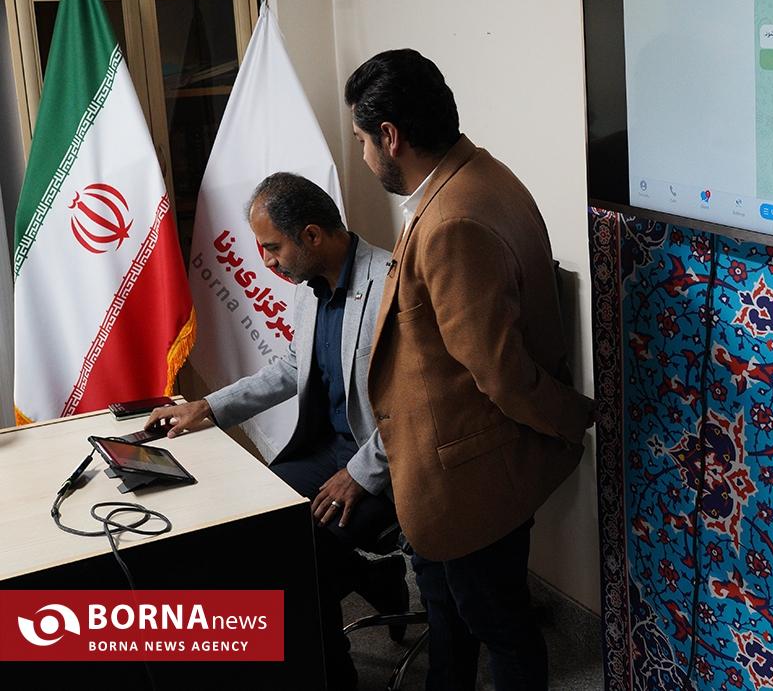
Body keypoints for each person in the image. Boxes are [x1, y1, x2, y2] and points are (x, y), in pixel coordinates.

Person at [345, 49, 594, 691]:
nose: (362, 155)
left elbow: (501, 372)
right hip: (457, 466)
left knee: (498, 626)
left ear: (390, 137)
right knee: (454, 617)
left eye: (361, 140)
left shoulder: (452, 219)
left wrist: (572, 419)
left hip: (470, 476)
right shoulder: (476, 174)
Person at [146, 172, 403, 691]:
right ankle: (374, 581)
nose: (266, 262)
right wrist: (208, 406)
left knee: (299, 551)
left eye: (272, 247)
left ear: (312, 235)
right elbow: (289, 368)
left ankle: (335, 675)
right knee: (250, 522)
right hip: (326, 450)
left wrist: (359, 474)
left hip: (388, 465)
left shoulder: (391, 284)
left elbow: (416, 406)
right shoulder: (308, 289)